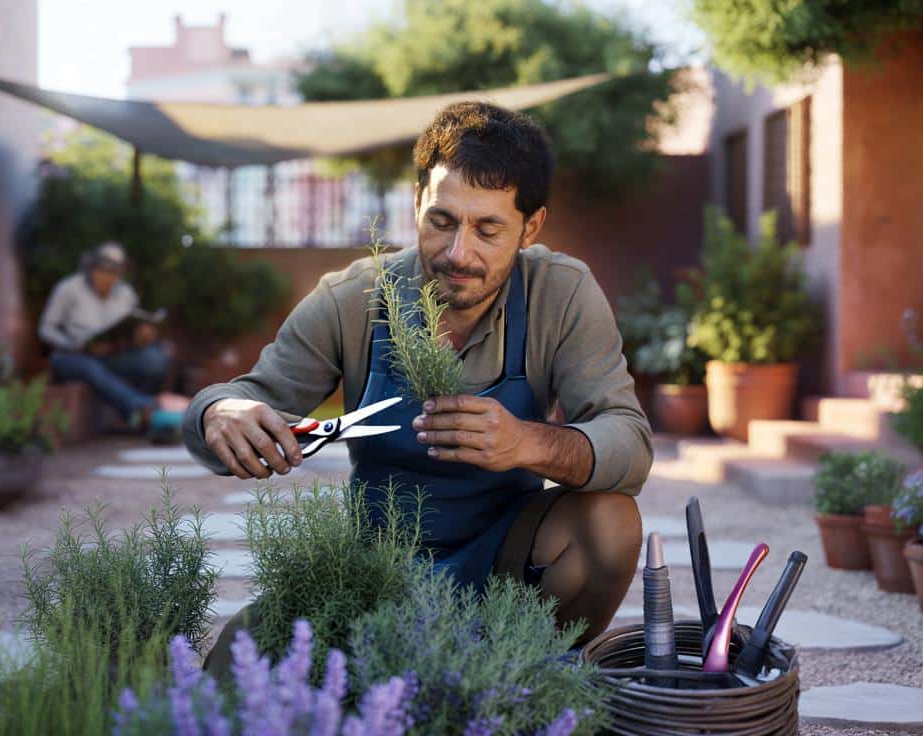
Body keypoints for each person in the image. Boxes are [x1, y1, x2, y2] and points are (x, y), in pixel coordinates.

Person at [185, 102, 653, 669]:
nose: (459, 253)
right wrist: (221, 412)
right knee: (232, 668)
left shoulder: (562, 293)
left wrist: (528, 444)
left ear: (530, 227)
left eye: (487, 229)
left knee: (610, 524)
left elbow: (629, 442)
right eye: (442, 221)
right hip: (370, 567)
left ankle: (522, 679)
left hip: (506, 558)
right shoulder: (351, 299)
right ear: (415, 204)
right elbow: (249, 394)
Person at [38, 242, 189, 427]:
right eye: (105, 269)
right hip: (72, 355)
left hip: (111, 355)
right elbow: (46, 329)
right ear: (92, 267)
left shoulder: (126, 293)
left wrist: (140, 337)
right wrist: (75, 345)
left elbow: (131, 327)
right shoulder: (68, 288)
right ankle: (143, 408)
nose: (110, 276)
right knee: (89, 367)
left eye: (115, 271)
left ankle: (137, 417)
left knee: (155, 359)